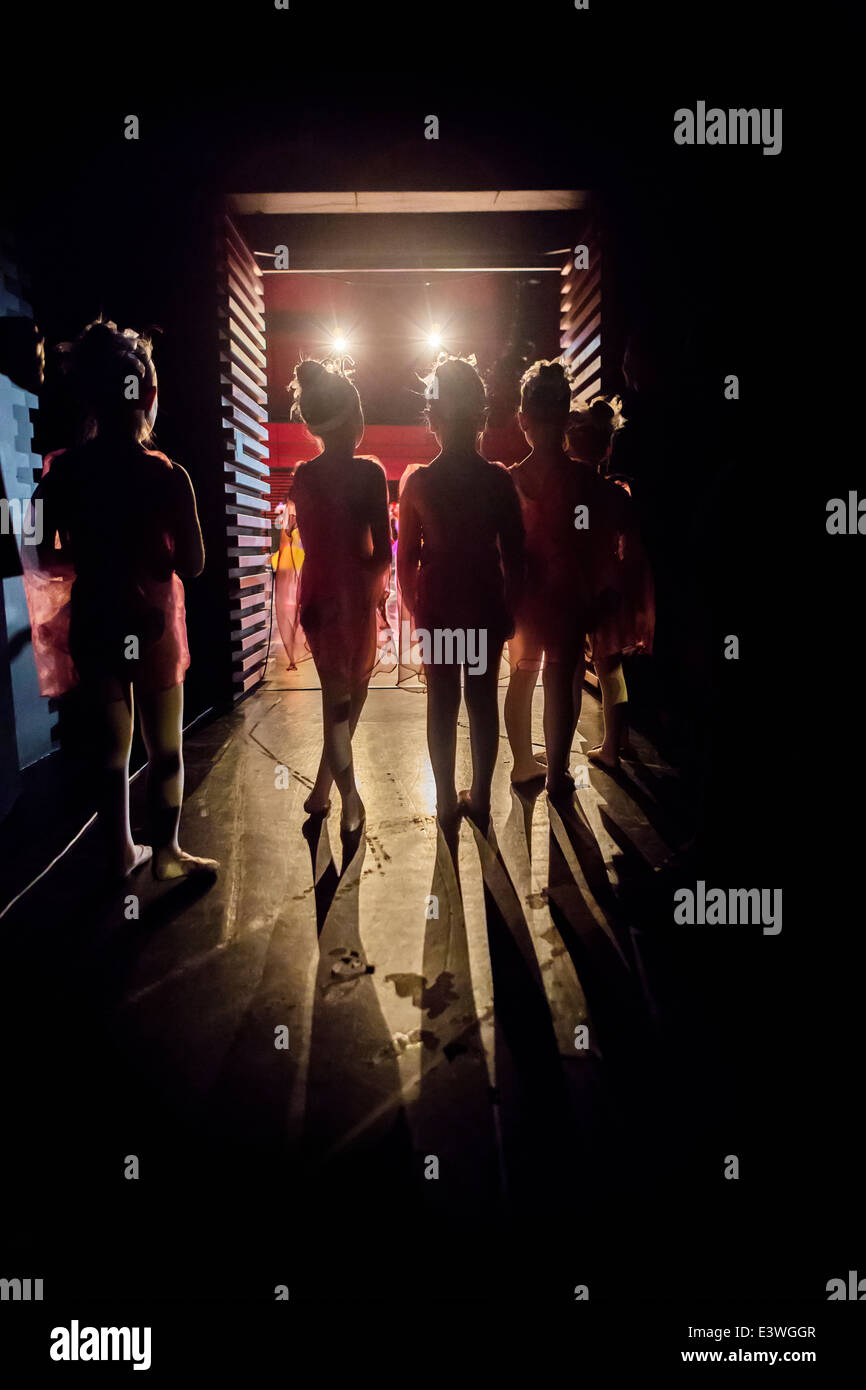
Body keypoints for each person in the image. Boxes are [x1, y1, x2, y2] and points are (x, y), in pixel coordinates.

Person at [28, 319, 216, 881]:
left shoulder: (63, 475)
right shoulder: (166, 474)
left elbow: (38, 549)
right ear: (148, 397)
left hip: (93, 620)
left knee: (111, 754)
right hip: (154, 624)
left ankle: (117, 851)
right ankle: (167, 856)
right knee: (165, 750)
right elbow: (195, 564)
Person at [397, 356, 524, 848]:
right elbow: (515, 557)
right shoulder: (497, 481)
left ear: (433, 417)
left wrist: (415, 607)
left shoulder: (420, 484)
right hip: (485, 608)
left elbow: (407, 559)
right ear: (481, 416)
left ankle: (446, 799)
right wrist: (510, 606)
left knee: (441, 705)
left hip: (440, 611)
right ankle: (483, 799)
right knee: (482, 703)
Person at [505, 361, 630, 801]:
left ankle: (522, 761)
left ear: (522, 420)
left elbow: (505, 545)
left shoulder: (511, 479)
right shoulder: (582, 479)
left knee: (521, 677)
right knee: (563, 681)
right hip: (568, 596)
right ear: (566, 420)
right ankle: (558, 771)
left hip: (525, 595)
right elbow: (597, 533)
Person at [289, 359, 391, 848]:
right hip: (353, 594)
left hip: (318, 595)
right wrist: (377, 594)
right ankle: (349, 799)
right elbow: (382, 549)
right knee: (349, 701)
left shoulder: (302, 476)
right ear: (355, 416)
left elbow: (313, 541)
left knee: (336, 703)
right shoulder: (370, 473)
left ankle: (322, 791)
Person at [567, 397, 654, 769]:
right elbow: (630, 546)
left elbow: (577, 535)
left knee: (570, 669)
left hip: (580, 583)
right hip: (612, 585)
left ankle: (568, 749)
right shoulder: (618, 494)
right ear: (606, 449)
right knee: (611, 669)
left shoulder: (576, 492)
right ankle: (616, 741)